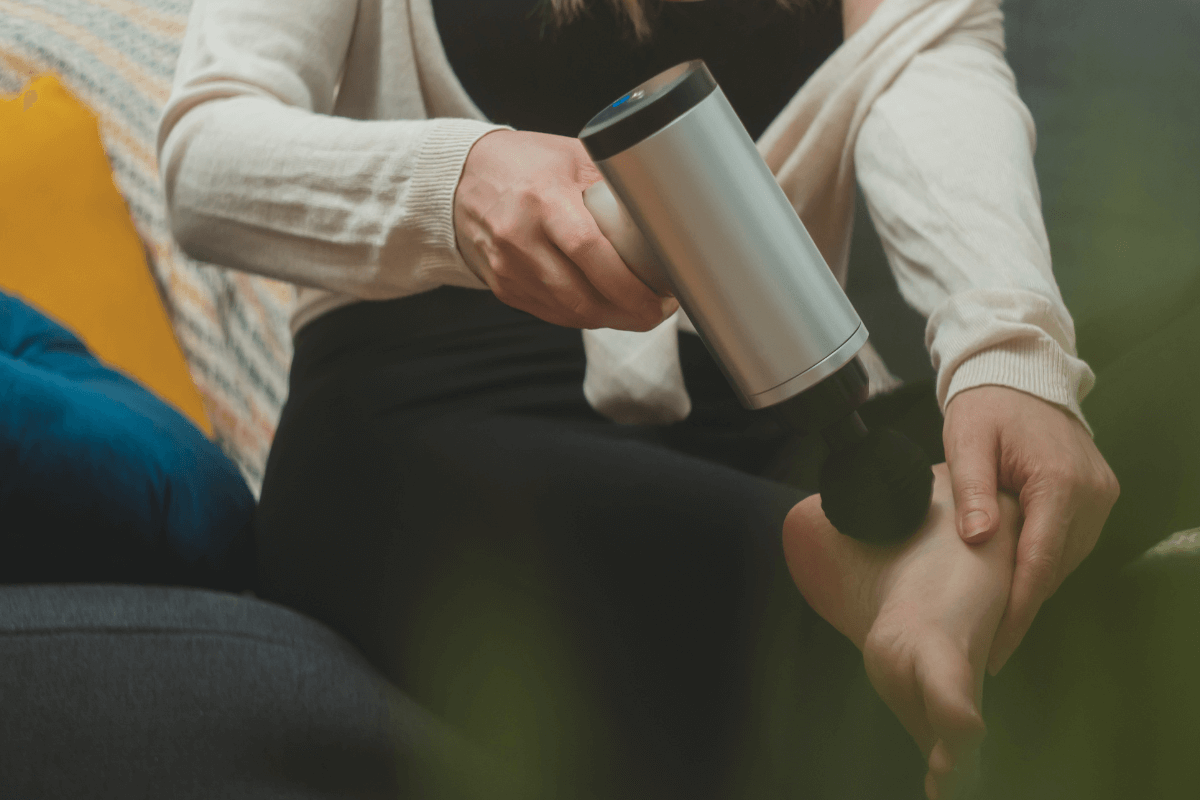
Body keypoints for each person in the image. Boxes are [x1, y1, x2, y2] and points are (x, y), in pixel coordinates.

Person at [157, 0, 1119, 797]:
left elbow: (930, 57)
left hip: (784, 411)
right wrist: (454, 184)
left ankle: (916, 562)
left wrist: (1009, 357)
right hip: (439, 411)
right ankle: (892, 576)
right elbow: (206, 156)